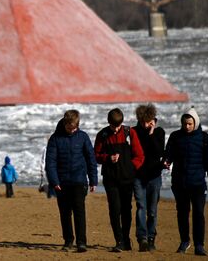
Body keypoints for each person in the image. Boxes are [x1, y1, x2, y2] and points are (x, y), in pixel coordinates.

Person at [164, 107, 208, 256]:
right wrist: (166, 162)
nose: (187, 126)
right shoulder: (175, 137)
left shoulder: (204, 138)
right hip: (180, 183)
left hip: (198, 184)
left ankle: (199, 245)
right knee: (182, 213)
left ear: (195, 122)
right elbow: (168, 154)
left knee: (198, 214)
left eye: (189, 124)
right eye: (184, 124)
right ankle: (184, 241)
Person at [45, 109, 98, 253]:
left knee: (80, 212)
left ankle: (81, 242)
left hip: (79, 181)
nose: (72, 129)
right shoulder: (55, 138)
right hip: (61, 183)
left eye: (75, 127)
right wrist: (54, 181)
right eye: (69, 127)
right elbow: (50, 162)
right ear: (64, 123)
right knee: (65, 213)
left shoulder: (83, 137)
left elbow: (91, 159)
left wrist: (93, 180)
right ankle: (68, 241)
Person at [94, 108, 144, 252]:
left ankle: (126, 239)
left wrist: (130, 167)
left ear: (121, 123)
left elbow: (140, 156)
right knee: (114, 210)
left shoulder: (129, 133)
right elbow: (96, 155)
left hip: (127, 179)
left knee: (126, 210)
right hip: (110, 179)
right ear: (108, 122)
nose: (115, 129)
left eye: (118, 126)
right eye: (113, 126)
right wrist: (107, 158)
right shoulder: (103, 134)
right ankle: (119, 241)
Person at [132, 104, 165, 252]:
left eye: (148, 121)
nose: (145, 124)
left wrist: (151, 133)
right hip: (138, 176)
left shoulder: (159, 132)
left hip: (154, 176)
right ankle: (142, 238)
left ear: (153, 120)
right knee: (141, 207)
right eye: (142, 122)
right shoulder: (133, 132)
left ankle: (151, 237)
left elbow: (158, 152)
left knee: (152, 211)